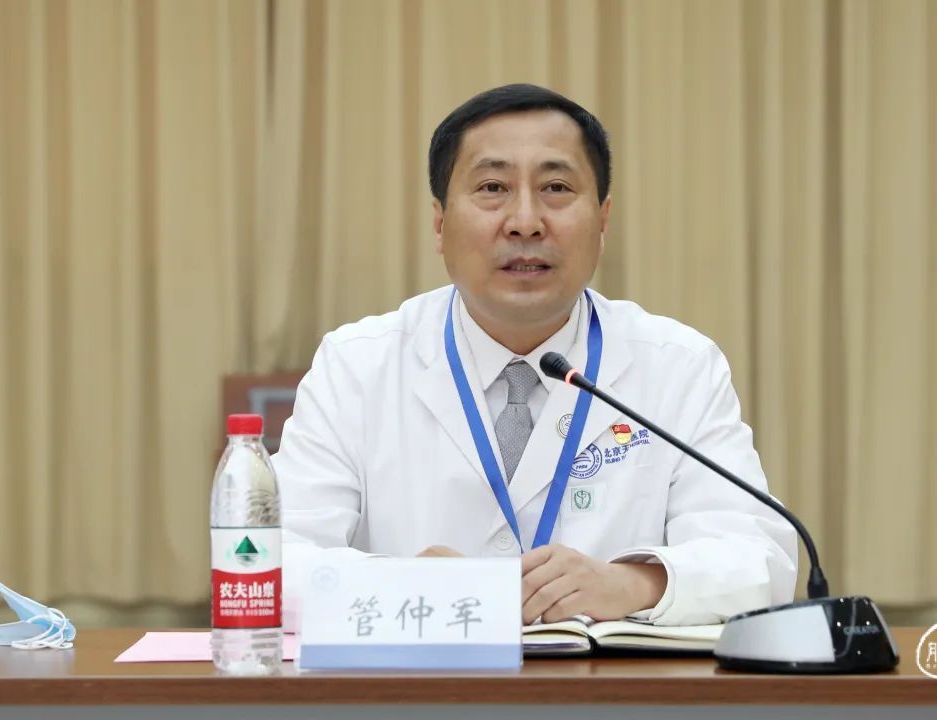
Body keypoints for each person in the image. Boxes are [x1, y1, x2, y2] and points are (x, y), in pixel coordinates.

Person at [272, 84, 797, 633]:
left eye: (556, 188)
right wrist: (401, 584)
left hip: (609, 682)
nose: (525, 221)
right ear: (440, 223)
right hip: (423, 677)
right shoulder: (357, 366)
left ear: (603, 220)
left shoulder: (678, 366)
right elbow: (267, 563)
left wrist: (634, 583)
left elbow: (760, 561)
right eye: (492, 188)